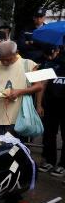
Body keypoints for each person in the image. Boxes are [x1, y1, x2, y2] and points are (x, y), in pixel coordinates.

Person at [0, 41, 43, 136]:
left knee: (14, 148)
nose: (4, 62)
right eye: (1, 59)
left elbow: (39, 86)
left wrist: (20, 91)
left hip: (17, 118)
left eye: (8, 59)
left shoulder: (28, 64)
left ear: (16, 53)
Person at [36, 45, 65, 177]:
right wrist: (39, 105)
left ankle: (63, 165)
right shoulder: (51, 63)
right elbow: (42, 84)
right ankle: (49, 161)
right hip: (50, 105)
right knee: (49, 133)